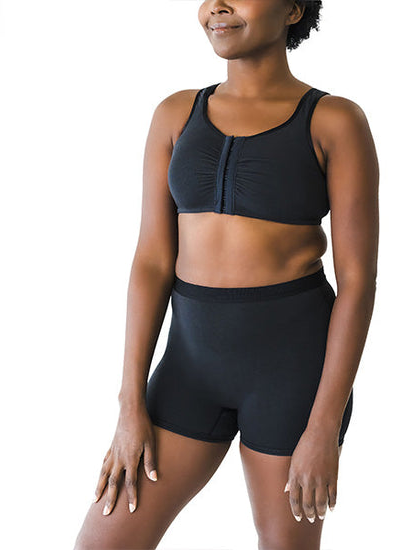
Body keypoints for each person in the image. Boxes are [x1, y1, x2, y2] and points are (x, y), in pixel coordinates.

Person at [74, 1, 379, 548]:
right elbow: (151, 261)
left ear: (293, 9)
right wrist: (130, 403)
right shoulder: (175, 114)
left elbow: (357, 282)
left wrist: (323, 425)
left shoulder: (335, 121)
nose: (217, 5)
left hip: (293, 377)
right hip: (188, 372)